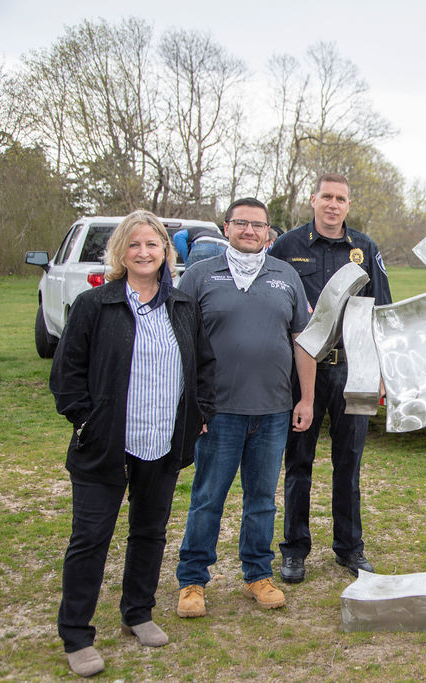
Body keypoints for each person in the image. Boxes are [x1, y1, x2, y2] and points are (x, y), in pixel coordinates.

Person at [50, 210, 215, 677]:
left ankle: (137, 612)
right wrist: (87, 421)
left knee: (149, 531)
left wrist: (200, 414)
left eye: (153, 245)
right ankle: (77, 635)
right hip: (105, 445)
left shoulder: (181, 306)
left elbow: (204, 367)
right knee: (90, 538)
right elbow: (66, 376)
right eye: (135, 244)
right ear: (121, 251)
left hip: (161, 440)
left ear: (166, 252)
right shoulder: (94, 304)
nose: (144, 253)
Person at [174, 198, 315, 618]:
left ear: (269, 232)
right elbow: (178, 345)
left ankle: (257, 574)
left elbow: (302, 342)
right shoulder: (199, 276)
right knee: (207, 498)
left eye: (258, 225)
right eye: (241, 223)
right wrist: (189, 406)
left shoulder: (285, 275)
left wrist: (306, 398)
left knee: (261, 500)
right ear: (226, 227)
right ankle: (192, 581)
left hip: (272, 411)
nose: (250, 231)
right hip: (217, 413)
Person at [269, 173, 392, 580]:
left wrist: (382, 373)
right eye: (326, 197)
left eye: (341, 198)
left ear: (348, 205)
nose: (333, 205)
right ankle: (295, 549)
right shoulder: (286, 247)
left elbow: (382, 313)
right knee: (298, 461)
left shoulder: (365, 248)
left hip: (352, 369)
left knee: (349, 462)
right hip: (301, 372)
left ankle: (349, 548)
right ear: (313, 200)